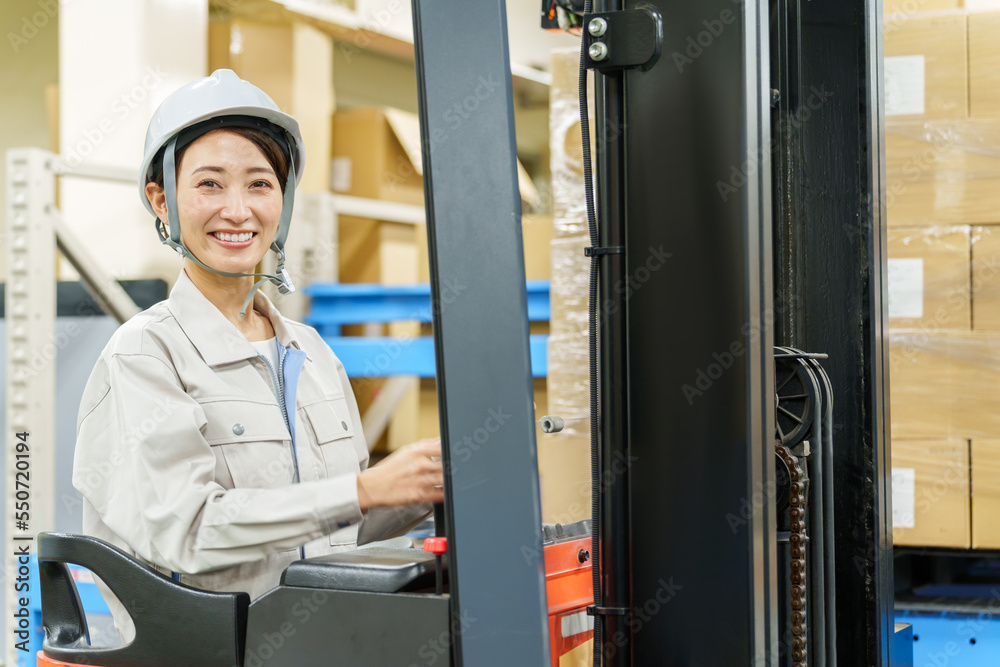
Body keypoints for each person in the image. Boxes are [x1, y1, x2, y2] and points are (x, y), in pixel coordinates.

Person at [72, 69, 444, 641]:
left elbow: (335, 523)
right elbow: (186, 531)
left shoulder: (312, 353)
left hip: (315, 643)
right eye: (210, 185)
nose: (239, 211)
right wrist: (364, 490)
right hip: (202, 654)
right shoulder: (146, 355)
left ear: (284, 200)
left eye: (260, 184)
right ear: (162, 201)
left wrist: (426, 487)